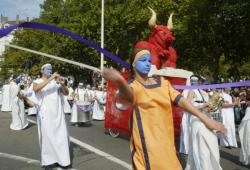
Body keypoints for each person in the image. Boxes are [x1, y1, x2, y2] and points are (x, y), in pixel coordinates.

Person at [102, 48, 227, 170]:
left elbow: (182, 102)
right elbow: (127, 94)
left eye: (149, 61)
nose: (147, 64)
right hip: (146, 153)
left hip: (168, 149)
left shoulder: (163, 83)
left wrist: (206, 119)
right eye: (143, 60)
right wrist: (120, 81)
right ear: (134, 64)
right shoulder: (134, 87)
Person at [33, 64, 71, 168]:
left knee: (61, 136)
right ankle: (48, 161)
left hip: (58, 114)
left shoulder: (56, 83)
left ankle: (62, 160)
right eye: (48, 69)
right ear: (42, 71)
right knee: (47, 138)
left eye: (51, 69)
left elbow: (66, 93)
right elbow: (36, 89)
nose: (50, 71)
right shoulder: (37, 81)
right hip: (45, 114)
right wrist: (50, 79)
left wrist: (62, 84)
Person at [185, 76, 223, 170]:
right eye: (193, 81)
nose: (196, 82)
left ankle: (210, 166)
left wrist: (213, 104)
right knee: (202, 147)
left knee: (212, 143)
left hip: (206, 119)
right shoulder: (191, 91)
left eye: (199, 81)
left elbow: (210, 108)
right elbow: (187, 107)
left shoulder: (203, 92)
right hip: (197, 121)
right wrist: (203, 105)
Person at [238, 93, 250, 165]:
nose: (246, 102)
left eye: (247, 100)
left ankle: (246, 158)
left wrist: (240, 127)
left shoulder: (248, 108)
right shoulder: (247, 108)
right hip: (247, 126)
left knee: (247, 141)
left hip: (248, 126)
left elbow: (245, 119)